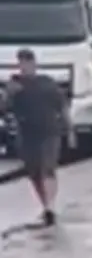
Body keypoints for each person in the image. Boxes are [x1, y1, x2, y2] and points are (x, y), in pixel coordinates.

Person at [0, 49, 67, 226]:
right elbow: (3, 108)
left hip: (49, 131)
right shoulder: (14, 84)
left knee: (48, 168)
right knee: (34, 173)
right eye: (21, 63)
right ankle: (46, 206)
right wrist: (8, 95)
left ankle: (51, 207)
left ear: (34, 64)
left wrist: (69, 127)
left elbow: (61, 105)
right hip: (27, 134)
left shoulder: (47, 83)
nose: (24, 66)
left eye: (28, 62)